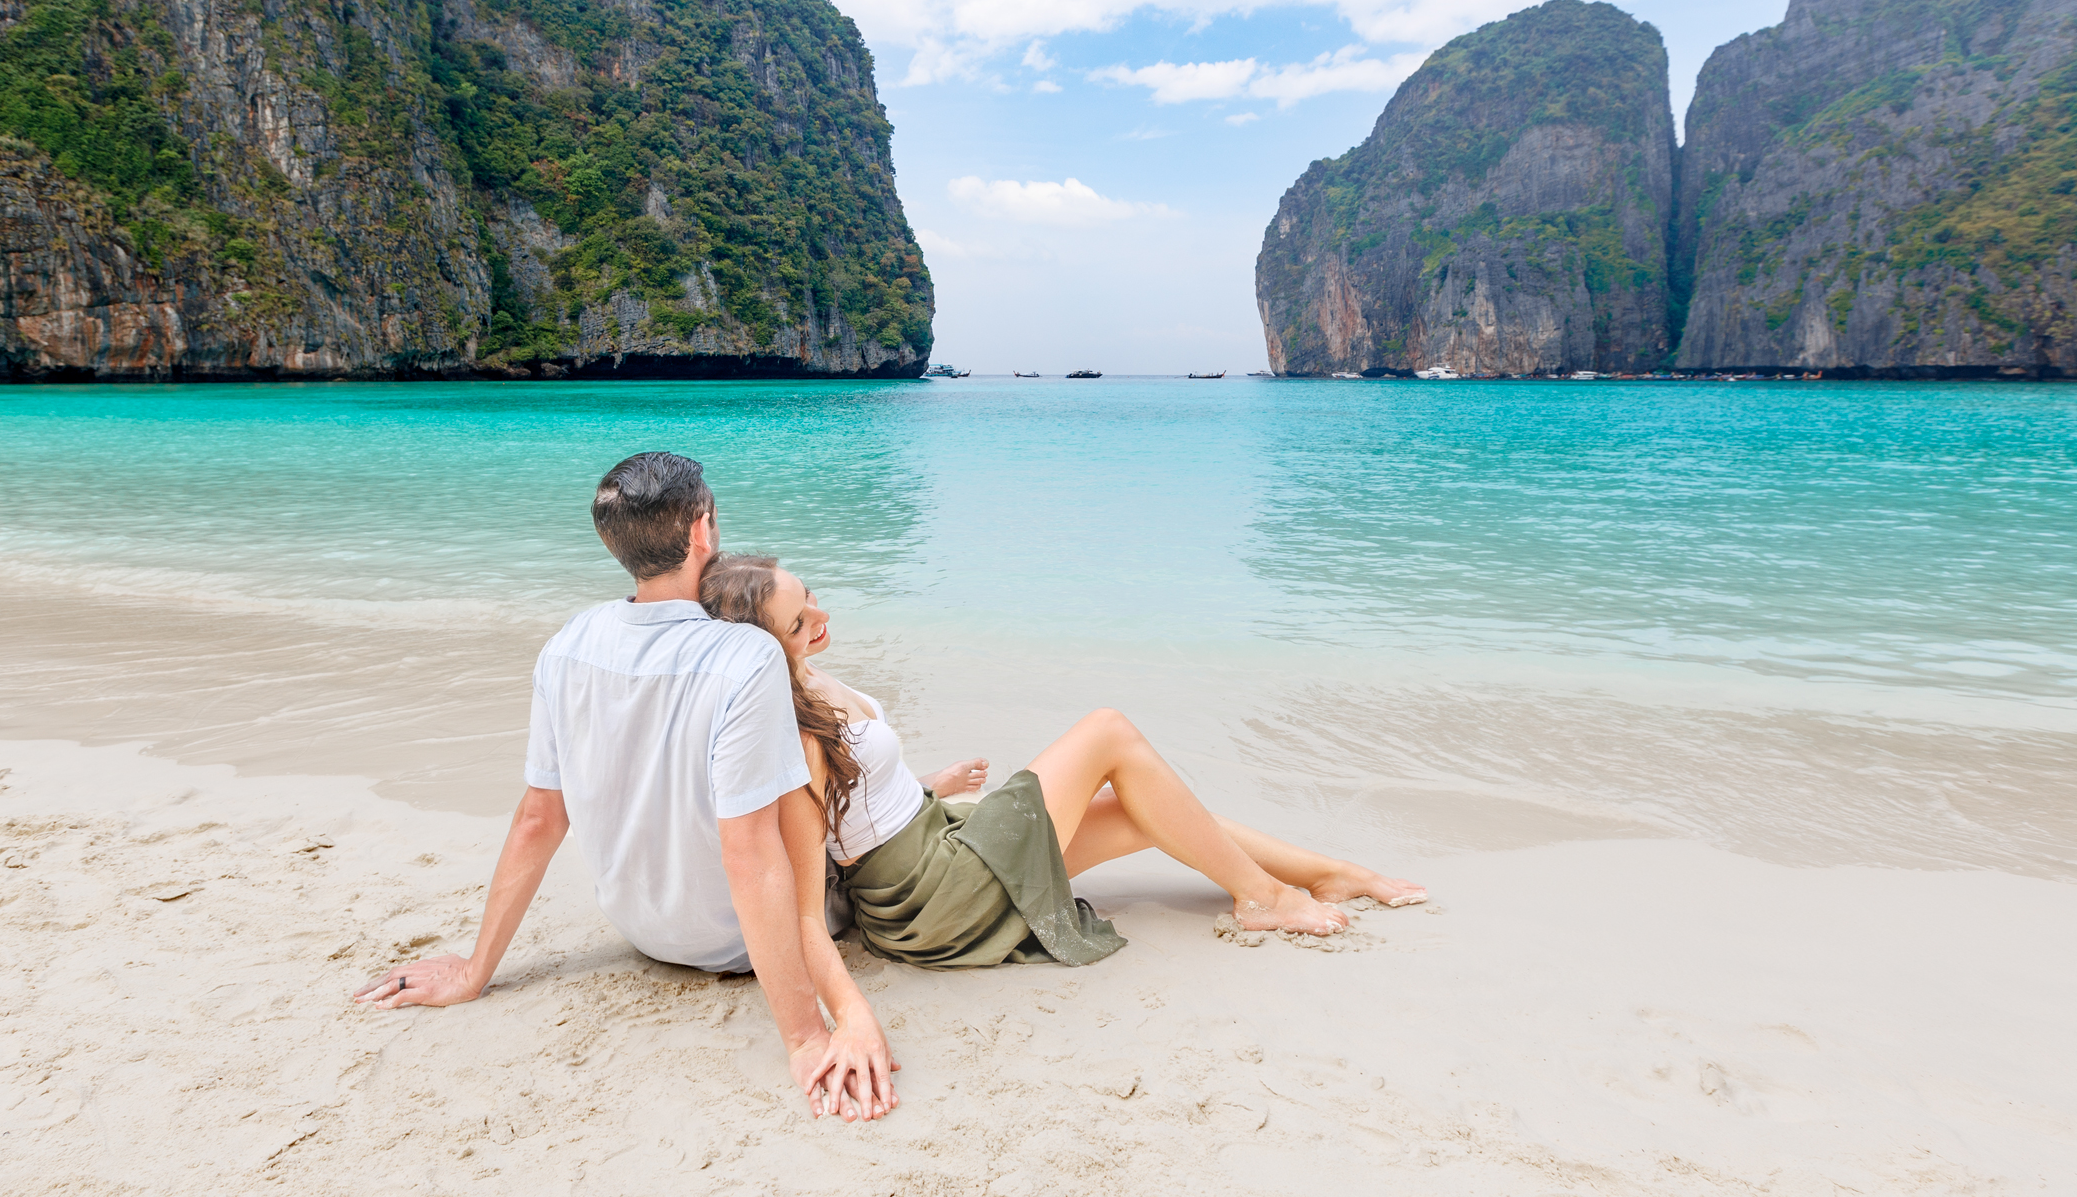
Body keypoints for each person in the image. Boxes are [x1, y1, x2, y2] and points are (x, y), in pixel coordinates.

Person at [352, 454, 898, 1122]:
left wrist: (474, 970)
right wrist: (806, 1035)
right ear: (703, 532)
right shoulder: (744, 655)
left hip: (644, 930)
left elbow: (537, 818)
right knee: (842, 776)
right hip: (733, 939)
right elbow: (751, 857)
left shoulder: (569, 643)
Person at [698, 554, 1426, 975]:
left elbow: (854, 807)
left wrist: (927, 786)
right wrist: (827, 1016)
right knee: (1108, 732)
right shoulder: (787, 731)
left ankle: (1328, 875)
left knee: (1143, 809)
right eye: (800, 622)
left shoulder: (812, 682)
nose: (819, 617)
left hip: (936, 837)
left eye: (810, 596)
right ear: (762, 645)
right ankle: (1265, 897)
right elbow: (801, 870)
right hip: (930, 892)